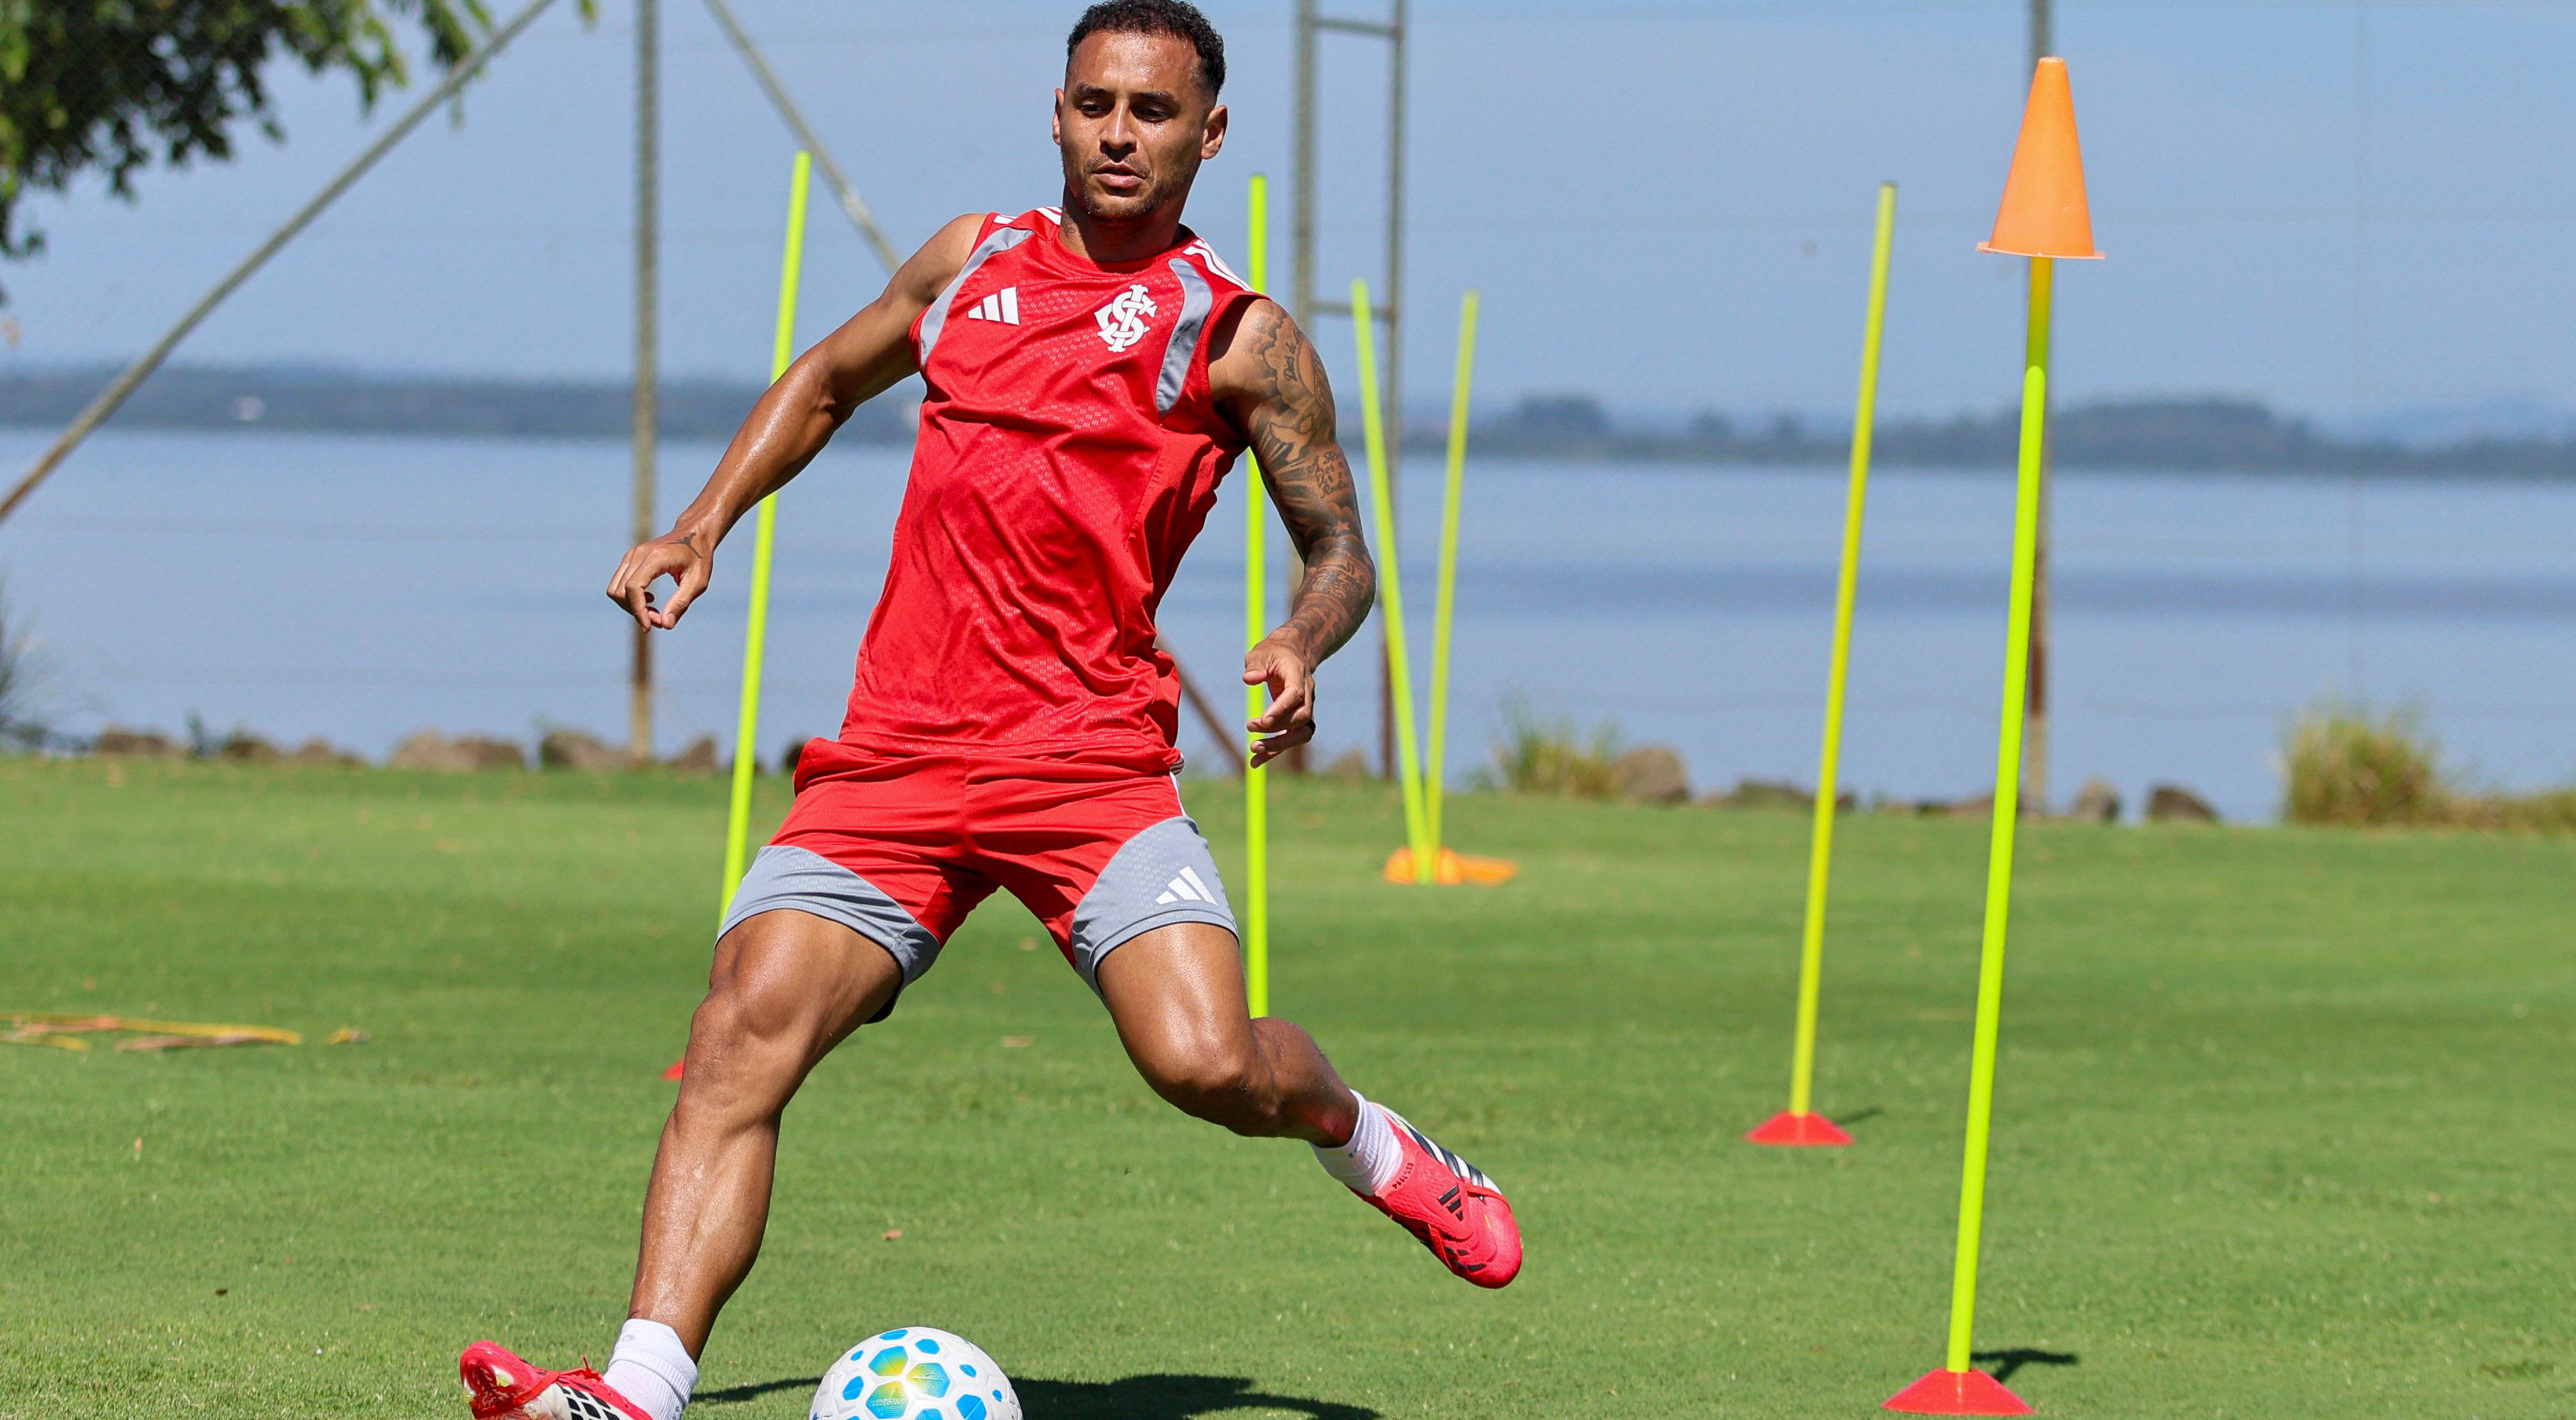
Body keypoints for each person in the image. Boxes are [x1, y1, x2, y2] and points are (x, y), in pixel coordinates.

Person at [459, 6, 1520, 1417]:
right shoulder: (972, 261)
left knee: (1205, 1063)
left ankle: (1367, 1139)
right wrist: (703, 525)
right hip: (896, 760)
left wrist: (1299, 638)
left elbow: (1344, 554)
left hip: (1090, 770)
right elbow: (829, 379)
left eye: (1152, 111)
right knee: (737, 1034)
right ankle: (637, 1393)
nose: (1118, 134)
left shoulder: (1242, 339)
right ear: (1060, 112)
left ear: (1211, 132)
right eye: (1095, 104)